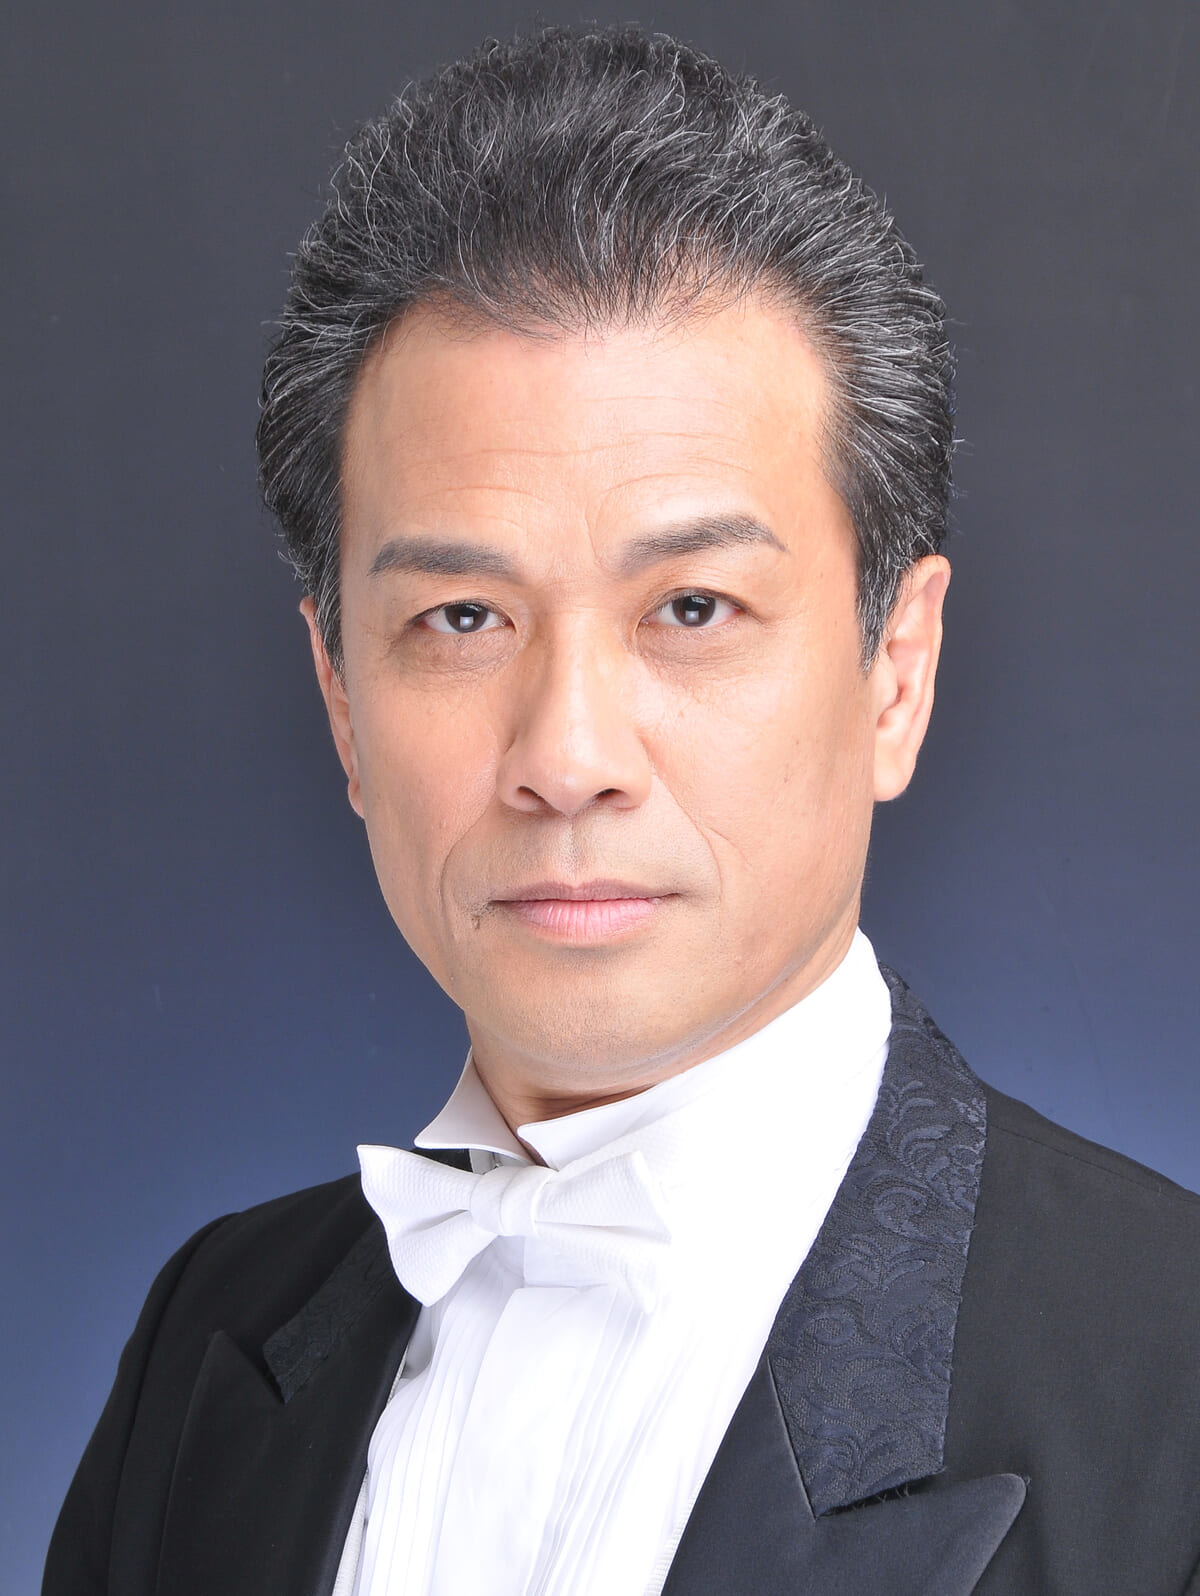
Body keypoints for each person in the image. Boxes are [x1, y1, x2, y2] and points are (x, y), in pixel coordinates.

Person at [43, 24, 1200, 1596]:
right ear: (341, 699)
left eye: (693, 608)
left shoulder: (1170, 1390)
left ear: (897, 671)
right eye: (462, 617)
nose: (568, 754)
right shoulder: (210, 1342)